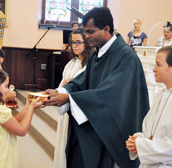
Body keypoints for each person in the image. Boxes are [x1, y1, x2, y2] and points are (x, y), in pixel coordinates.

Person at [42, 7, 149, 168]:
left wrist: (69, 99)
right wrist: (61, 92)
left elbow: (112, 94)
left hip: (113, 128)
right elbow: (82, 81)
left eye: (90, 32)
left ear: (106, 29)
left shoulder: (126, 57)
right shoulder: (98, 54)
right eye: (85, 32)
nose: (86, 37)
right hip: (97, 121)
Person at [0, 67, 43, 168]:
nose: (8, 90)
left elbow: (12, 122)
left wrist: (27, 105)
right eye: (6, 86)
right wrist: (31, 108)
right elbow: (22, 130)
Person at [53, 28, 93, 168]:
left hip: (78, 111)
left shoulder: (90, 64)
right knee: (62, 143)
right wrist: (62, 87)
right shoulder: (71, 62)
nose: (74, 45)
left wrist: (70, 86)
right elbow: (62, 83)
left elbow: (89, 87)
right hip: (65, 109)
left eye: (78, 42)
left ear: (86, 43)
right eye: (72, 42)